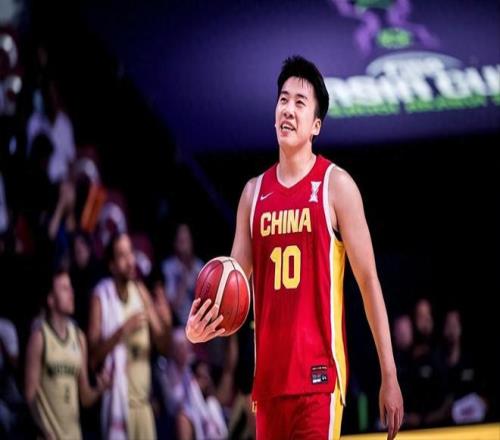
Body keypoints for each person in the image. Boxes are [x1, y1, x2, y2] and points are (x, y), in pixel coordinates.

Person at [185, 55, 403, 439]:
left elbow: (369, 282)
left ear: (316, 125)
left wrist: (390, 374)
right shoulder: (253, 194)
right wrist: (200, 329)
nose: (288, 109)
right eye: (283, 100)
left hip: (319, 382)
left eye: (300, 103)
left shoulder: (337, 186)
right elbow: (232, 289)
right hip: (268, 387)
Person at [87, 232, 170, 439]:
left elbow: (163, 346)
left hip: (144, 406)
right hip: (117, 403)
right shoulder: (101, 297)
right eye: (122, 256)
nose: (130, 260)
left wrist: (166, 321)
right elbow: (93, 358)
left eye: (130, 252)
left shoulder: (141, 291)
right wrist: (122, 331)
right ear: (112, 265)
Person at [24, 268, 110, 440]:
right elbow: (29, 396)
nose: (71, 293)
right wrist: (44, 432)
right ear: (51, 299)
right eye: (64, 289)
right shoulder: (40, 338)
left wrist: (100, 388)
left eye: (70, 287)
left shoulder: (79, 337)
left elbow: (84, 397)